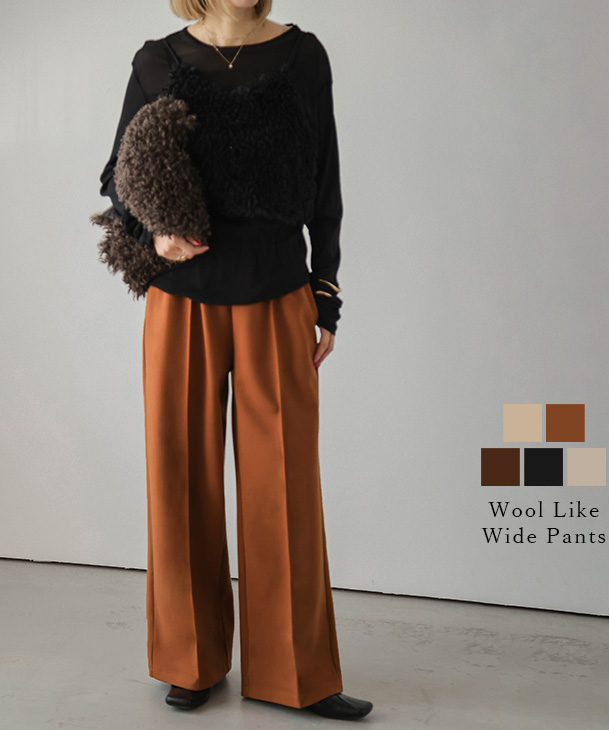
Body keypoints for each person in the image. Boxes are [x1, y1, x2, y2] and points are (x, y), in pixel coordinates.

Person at [97, 0, 372, 720]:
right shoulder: (157, 61)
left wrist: (326, 294)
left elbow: (326, 184)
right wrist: (154, 237)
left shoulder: (303, 56)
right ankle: (190, 662)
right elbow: (118, 178)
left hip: (279, 294)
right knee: (180, 478)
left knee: (284, 488)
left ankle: (296, 674)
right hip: (181, 301)